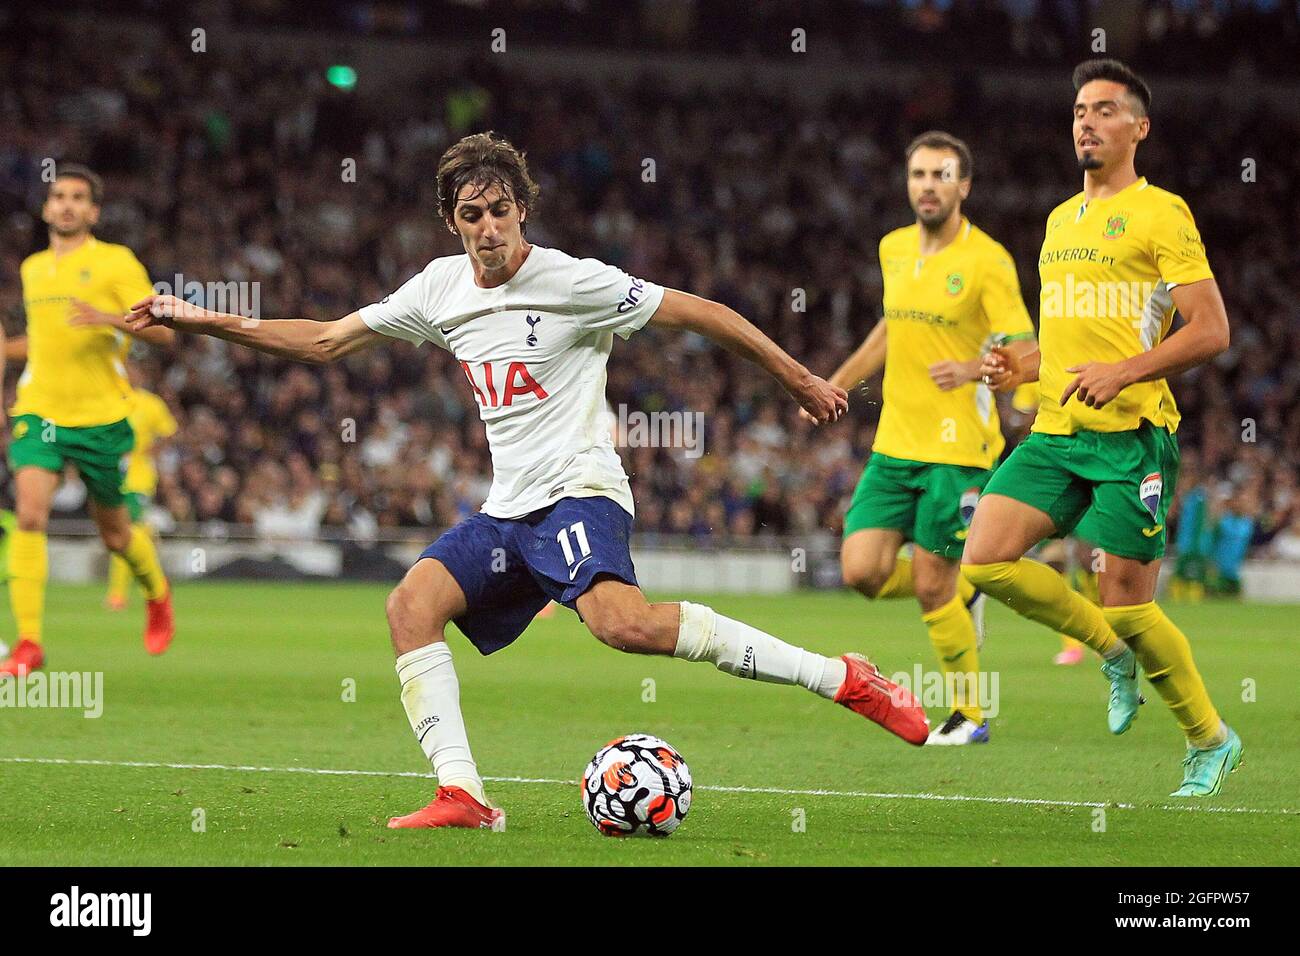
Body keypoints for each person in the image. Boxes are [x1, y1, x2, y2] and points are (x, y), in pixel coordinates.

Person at [128, 132, 930, 829]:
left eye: (500, 210)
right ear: (452, 221)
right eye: (471, 214)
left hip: (579, 491)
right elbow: (324, 342)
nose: (488, 228)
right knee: (411, 606)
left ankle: (843, 678)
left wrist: (794, 377)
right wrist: (201, 319)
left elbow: (701, 312)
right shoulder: (437, 288)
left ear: (522, 211)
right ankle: (463, 794)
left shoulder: (574, 282)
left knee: (624, 626)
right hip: (508, 510)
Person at [974, 60, 1241, 797]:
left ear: (1138, 127)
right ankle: (1109, 653)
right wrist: (1019, 367)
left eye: (1104, 110)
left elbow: (1212, 329)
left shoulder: (1164, 213)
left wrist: (1125, 371)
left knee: (1130, 602)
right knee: (986, 560)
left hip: (1133, 437)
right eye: (1078, 111)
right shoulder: (1061, 220)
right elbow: (1070, 343)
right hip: (1057, 431)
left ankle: (1212, 739)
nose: (1085, 122)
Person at [818, 132, 1037, 744]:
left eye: (941, 175)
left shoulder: (987, 260)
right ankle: (965, 587)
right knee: (861, 571)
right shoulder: (893, 249)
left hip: (959, 448)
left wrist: (972, 369)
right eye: (918, 174)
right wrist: (833, 385)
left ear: (963, 185)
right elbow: (890, 329)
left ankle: (971, 714)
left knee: (929, 584)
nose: (928, 186)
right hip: (895, 443)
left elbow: (1023, 347)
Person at [0, 165, 176, 677]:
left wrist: (109, 319)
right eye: (59, 196)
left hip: (100, 417)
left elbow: (164, 332)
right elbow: (46, 338)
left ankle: (157, 593)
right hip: (39, 410)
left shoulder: (115, 262)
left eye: (79, 197)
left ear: (94, 211)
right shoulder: (33, 268)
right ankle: (29, 643)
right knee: (30, 516)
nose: (67, 205)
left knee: (117, 536)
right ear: (47, 207)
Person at [105, 367, 178, 610]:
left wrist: (151, 452)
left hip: (139, 478)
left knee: (124, 530)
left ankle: (118, 594)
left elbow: (170, 432)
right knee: (133, 531)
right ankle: (153, 581)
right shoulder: (110, 399)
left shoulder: (150, 404)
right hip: (113, 474)